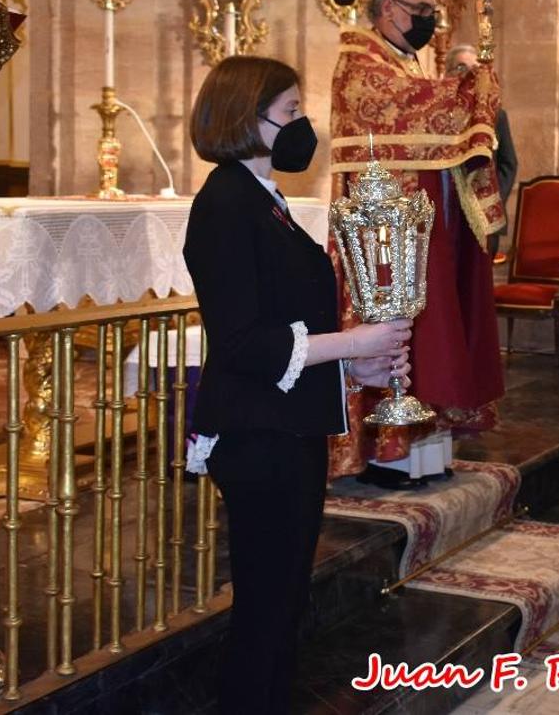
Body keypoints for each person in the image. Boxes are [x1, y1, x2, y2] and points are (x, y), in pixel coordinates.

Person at [183, 56, 412, 713]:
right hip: (258, 435)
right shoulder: (226, 203)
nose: (302, 125)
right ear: (243, 119)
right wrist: (355, 343)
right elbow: (244, 342)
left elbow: (289, 325)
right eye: (289, 113)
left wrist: (356, 367)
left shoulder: (264, 199)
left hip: (286, 428)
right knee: (266, 606)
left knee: (282, 603)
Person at [329, 0, 505, 485]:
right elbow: (411, 108)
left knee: (431, 333)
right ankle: (388, 453)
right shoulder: (358, 64)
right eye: (421, 11)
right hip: (381, 234)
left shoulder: (401, 60)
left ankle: (424, 448)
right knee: (396, 332)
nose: (429, 21)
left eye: (433, 12)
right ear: (389, 10)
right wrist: (471, 86)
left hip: (420, 225)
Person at [444, 44, 518, 259]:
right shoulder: (438, 114)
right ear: (447, 73)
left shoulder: (495, 114)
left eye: (474, 68)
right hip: (450, 213)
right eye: (460, 67)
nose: (468, 74)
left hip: (485, 216)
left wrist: (493, 197)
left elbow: (508, 164)